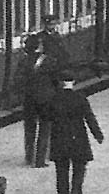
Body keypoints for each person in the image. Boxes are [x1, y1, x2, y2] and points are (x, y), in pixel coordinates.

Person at [14, 14, 70, 167]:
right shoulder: (48, 61)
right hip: (46, 98)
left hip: (29, 98)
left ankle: (28, 157)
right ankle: (39, 160)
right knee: (45, 127)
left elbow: (18, 80)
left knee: (29, 128)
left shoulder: (24, 61)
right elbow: (56, 78)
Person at [47, 69, 103, 194]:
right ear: (73, 82)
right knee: (79, 170)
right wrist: (98, 135)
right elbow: (89, 118)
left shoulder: (54, 99)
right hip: (78, 138)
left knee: (61, 171)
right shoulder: (80, 98)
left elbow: (47, 117)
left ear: (60, 83)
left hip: (60, 139)